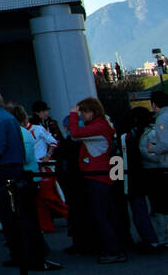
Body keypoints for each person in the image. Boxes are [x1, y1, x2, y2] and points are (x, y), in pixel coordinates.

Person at [0, 90, 54, 272]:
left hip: (6, 172)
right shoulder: (6, 119)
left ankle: (23, 255)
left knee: (12, 214)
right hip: (14, 170)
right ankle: (28, 253)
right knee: (20, 214)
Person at [69, 97, 126, 263]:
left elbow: (74, 133)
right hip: (102, 175)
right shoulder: (103, 125)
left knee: (101, 215)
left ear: (91, 112)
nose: (82, 116)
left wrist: (72, 115)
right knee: (107, 214)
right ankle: (114, 247)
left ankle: (112, 250)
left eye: (83, 113)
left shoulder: (98, 127)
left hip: (97, 176)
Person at [139, 91, 168, 247]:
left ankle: (164, 237)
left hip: (162, 166)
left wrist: (152, 149)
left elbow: (165, 144)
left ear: (154, 104)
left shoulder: (162, 119)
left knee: (161, 205)